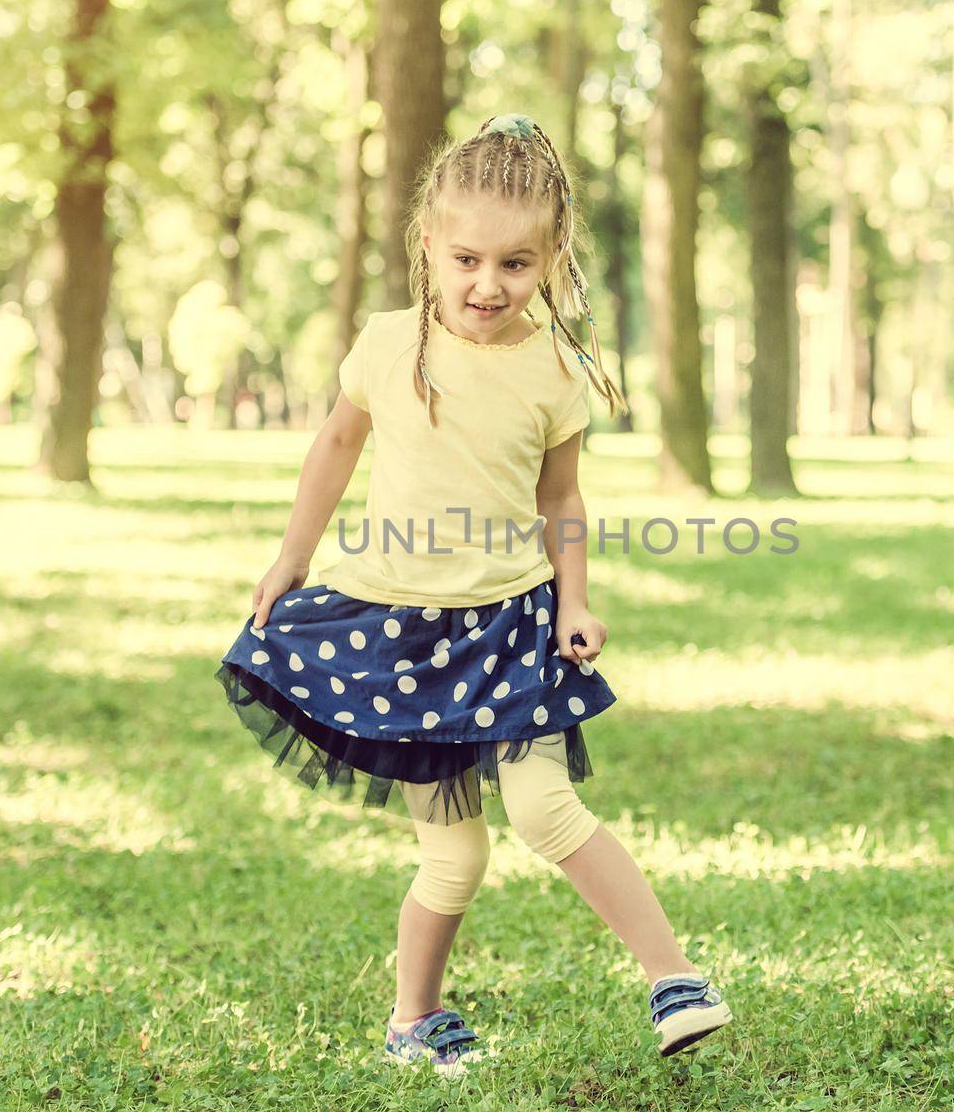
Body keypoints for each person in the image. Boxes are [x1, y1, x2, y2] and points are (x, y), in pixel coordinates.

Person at [214, 113, 731, 1077]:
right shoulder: (385, 344)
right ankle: (416, 1016)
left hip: (512, 626)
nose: (487, 285)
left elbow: (562, 496)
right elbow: (334, 446)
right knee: (454, 858)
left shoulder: (557, 368)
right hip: (403, 631)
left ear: (552, 259)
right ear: (428, 246)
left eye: (516, 265)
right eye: (466, 260)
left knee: (544, 810)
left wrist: (575, 601)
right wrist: (293, 556)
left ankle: (675, 978)